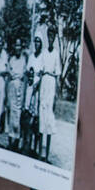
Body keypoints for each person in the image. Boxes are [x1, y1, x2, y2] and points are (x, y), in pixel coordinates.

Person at [36, 28, 62, 161]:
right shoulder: (44, 53)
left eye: (53, 36)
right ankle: (41, 152)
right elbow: (40, 72)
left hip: (51, 84)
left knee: (49, 120)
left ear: (55, 38)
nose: (50, 38)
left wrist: (57, 94)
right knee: (42, 116)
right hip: (43, 84)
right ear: (47, 37)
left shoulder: (56, 54)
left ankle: (46, 155)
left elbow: (57, 75)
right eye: (49, 36)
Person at [4, 40, 27, 151]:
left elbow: (24, 77)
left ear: (21, 47)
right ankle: (9, 141)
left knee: (17, 115)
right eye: (16, 45)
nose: (18, 47)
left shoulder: (23, 60)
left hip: (20, 89)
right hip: (11, 88)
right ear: (14, 47)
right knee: (10, 114)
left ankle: (16, 143)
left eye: (19, 45)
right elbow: (8, 75)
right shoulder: (11, 59)